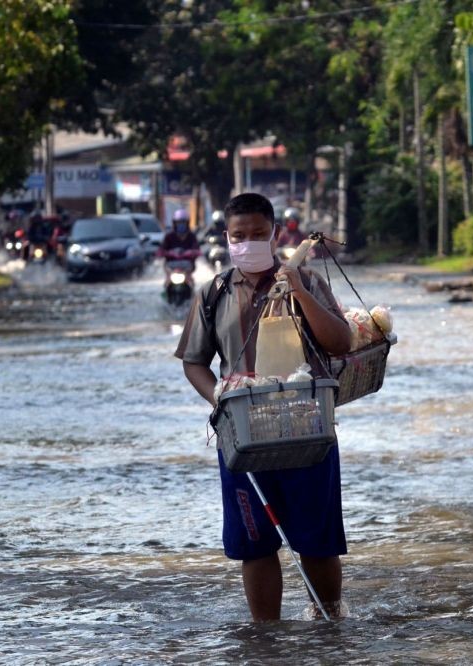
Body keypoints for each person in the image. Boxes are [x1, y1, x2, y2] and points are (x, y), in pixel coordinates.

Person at [175, 192, 351, 622]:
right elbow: (194, 362)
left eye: (258, 234)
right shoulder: (213, 293)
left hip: (307, 428)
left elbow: (341, 343)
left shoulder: (306, 281)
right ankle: (265, 639)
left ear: (274, 233)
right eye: (240, 236)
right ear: (227, 238)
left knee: (316, 540)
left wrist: (298, 291)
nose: (248, 242)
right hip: (242, 435)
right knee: (254, 544)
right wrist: (216, 395)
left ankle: (329, 623)